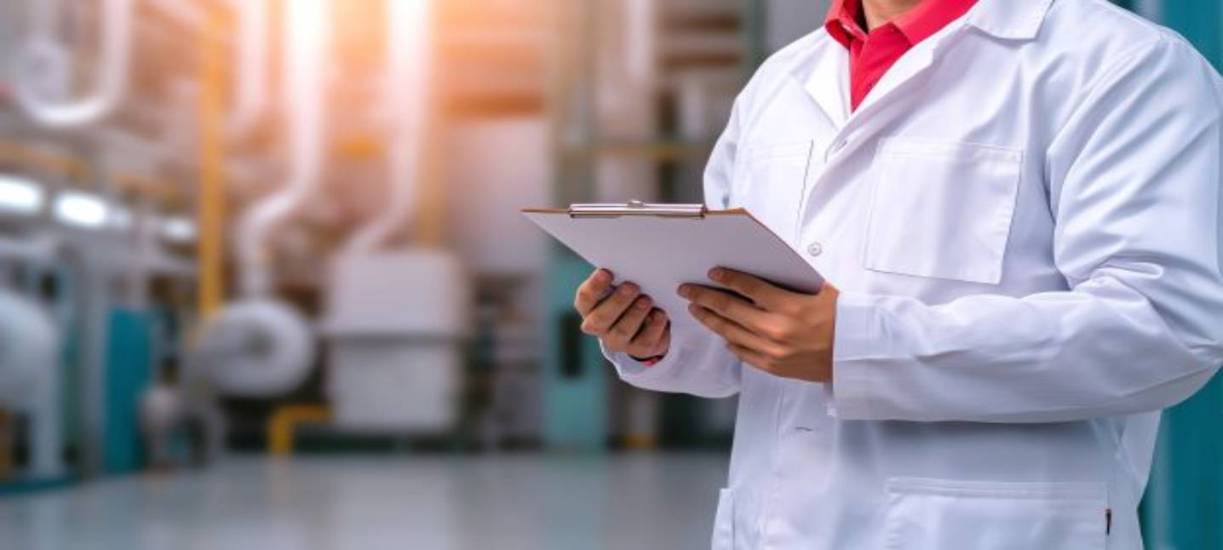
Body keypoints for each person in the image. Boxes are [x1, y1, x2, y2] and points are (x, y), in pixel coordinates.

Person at [572, 0, 1223, 548]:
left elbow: (1166, 326)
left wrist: (856, 345)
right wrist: (662, 332)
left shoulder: (1117, 66)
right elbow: (736, 336)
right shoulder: (780, 83)